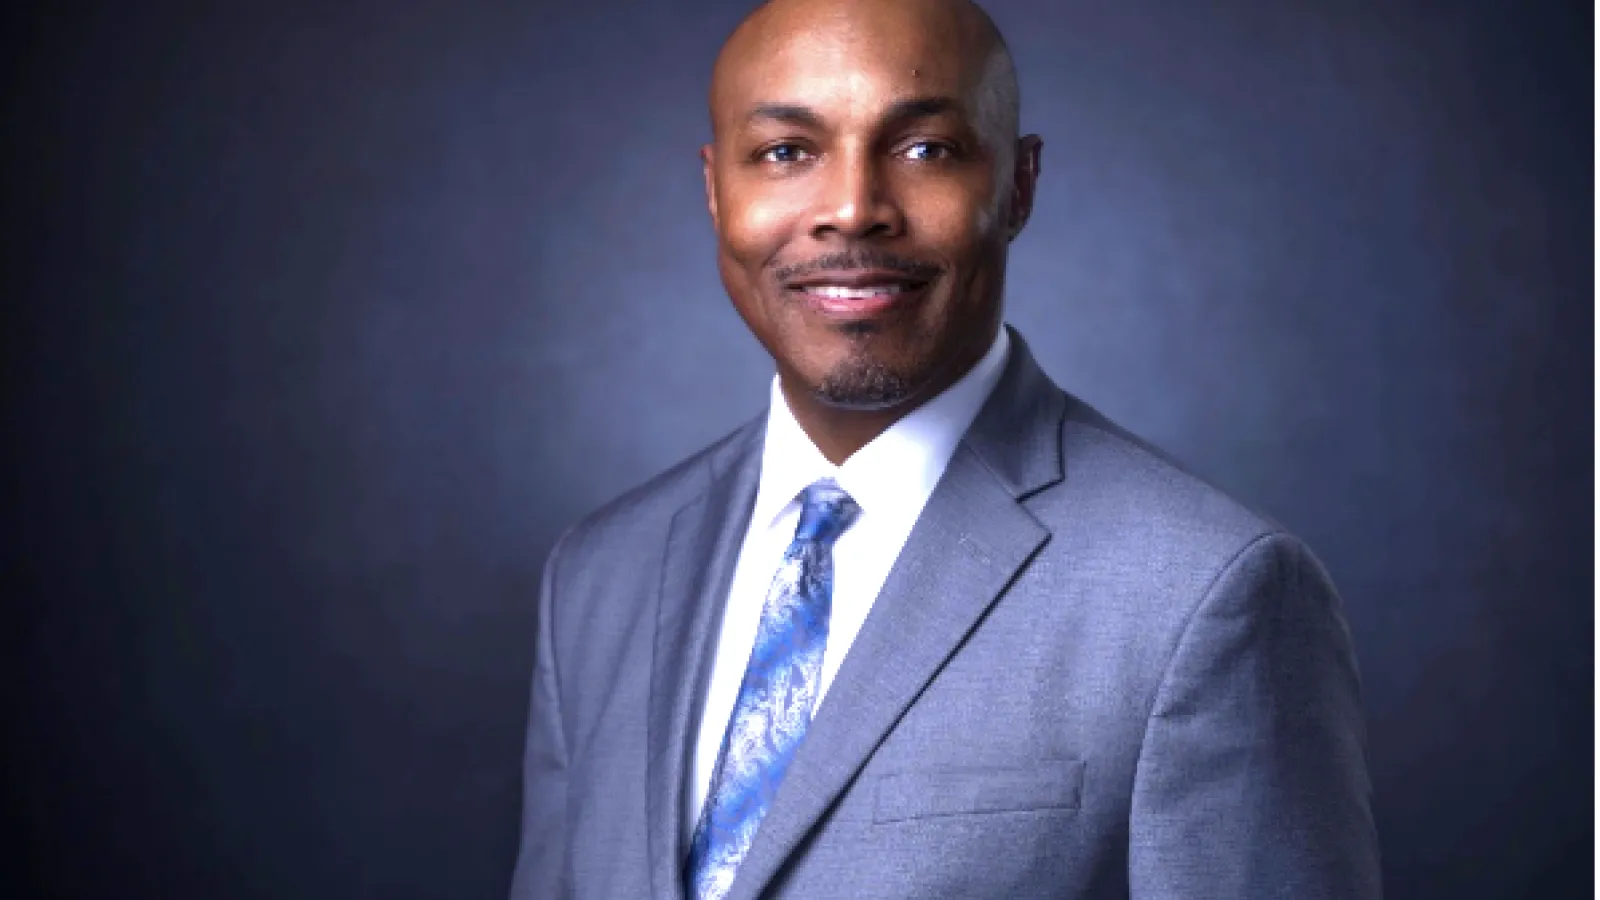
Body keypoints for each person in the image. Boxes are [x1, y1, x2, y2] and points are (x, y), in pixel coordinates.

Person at [508, 0, 1381, 896]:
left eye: (925, 149)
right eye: (786, 152)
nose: (851, 210)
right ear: (715, 191)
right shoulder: (597, 577)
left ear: (1018, 186)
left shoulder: (1209, 593)